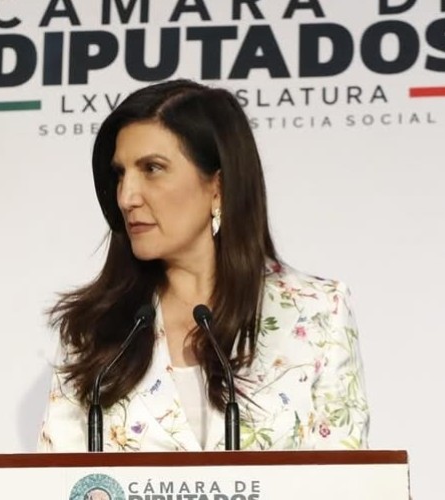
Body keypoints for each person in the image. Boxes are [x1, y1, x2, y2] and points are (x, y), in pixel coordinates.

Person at [37, 79, 369, 452]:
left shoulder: (319, 313)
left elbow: (348, 474)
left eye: (152, 168)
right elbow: (56, 476)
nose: (127, 197)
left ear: (218, 187)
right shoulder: (93, 330)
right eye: (120, 174)